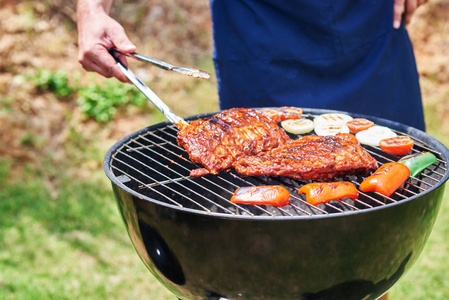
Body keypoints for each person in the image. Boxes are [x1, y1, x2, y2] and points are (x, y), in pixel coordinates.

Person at [77, 0, 427, 131]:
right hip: (259, 30)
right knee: (266, 222)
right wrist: (92, 10)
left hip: (366, 26)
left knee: (374, 223)